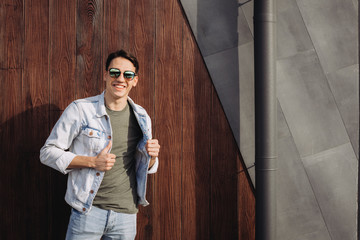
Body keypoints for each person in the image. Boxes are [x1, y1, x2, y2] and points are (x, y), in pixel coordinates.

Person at [40, 49, 160, 240]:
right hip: (88, 212)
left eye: (128, 75)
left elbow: (147, 167)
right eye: (115, 72)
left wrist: (152, 157)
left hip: (126, 215)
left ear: (135, 80)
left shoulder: (142, 117)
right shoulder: (81, 109)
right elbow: (47, 153)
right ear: (105, 75)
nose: (121, 78)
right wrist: (92, 162)